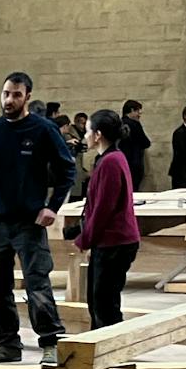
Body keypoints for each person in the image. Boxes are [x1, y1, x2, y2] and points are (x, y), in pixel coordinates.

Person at [0, 70, 74, 368]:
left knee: (37, 284)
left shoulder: (43, 130)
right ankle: (8, 345)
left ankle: (51, 343)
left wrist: (52, 206)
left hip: (30, 223)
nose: (9, 100)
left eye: (15, 95)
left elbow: (67, 169)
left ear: (27, 97)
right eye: (5, 94)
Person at [73, 109, 140, 331]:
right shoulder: (107, 159)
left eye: (88, 131)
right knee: (97, 302)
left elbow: (104, 209)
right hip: (109, 242)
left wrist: (85, 239)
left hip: (116, 243)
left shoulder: (111, 161)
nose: (85, 136)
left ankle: (112, 354)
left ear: (98, 134)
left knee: (105, 305)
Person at [118, 100, 151, 188]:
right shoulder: (135, 125)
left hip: (121, 163)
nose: (139, 115)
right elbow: (146, 143)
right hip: (134, 164)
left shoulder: (118, 124)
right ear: (132, 110)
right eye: (138, 111)